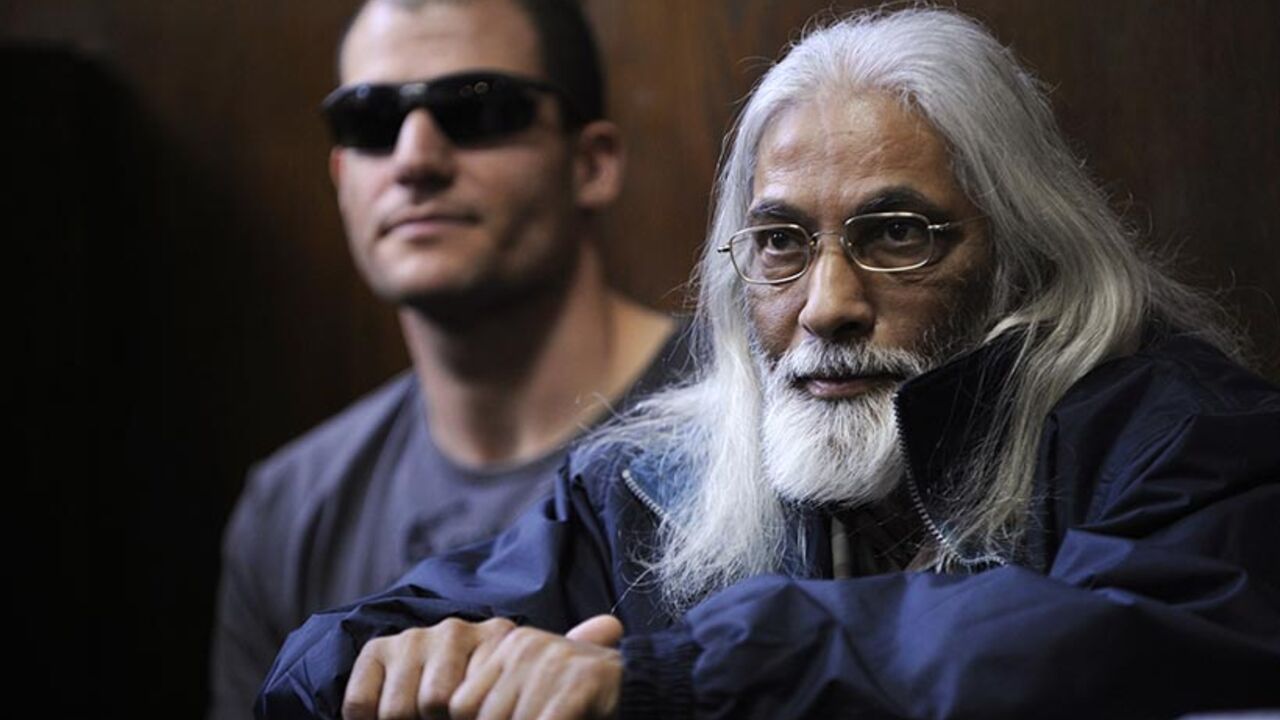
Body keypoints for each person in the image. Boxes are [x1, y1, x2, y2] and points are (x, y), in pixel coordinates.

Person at [256, 8, 1280, 719]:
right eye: (781, 244)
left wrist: (669, 684)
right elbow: (321, 665)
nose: (827, 305)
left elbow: (1131, 639)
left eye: (895, 234)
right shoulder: (647, 487)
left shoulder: (1182, 438)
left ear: (1020, 256)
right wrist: (397, 667)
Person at [207, 0, 686, 717]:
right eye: (369, 121)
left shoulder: (756, 416)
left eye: (477, 110)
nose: (414, 159)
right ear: (341, 175)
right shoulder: (290, 508)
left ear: (592, 164)